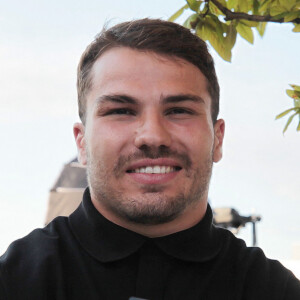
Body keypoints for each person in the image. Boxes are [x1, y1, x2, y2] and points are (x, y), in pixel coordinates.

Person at [0, 19, 299, 300]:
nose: (153, 136)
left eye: (179, 110)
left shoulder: (275, 290)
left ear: (217, 138)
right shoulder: (14, 282)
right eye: (121, 111)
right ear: (82, 142)